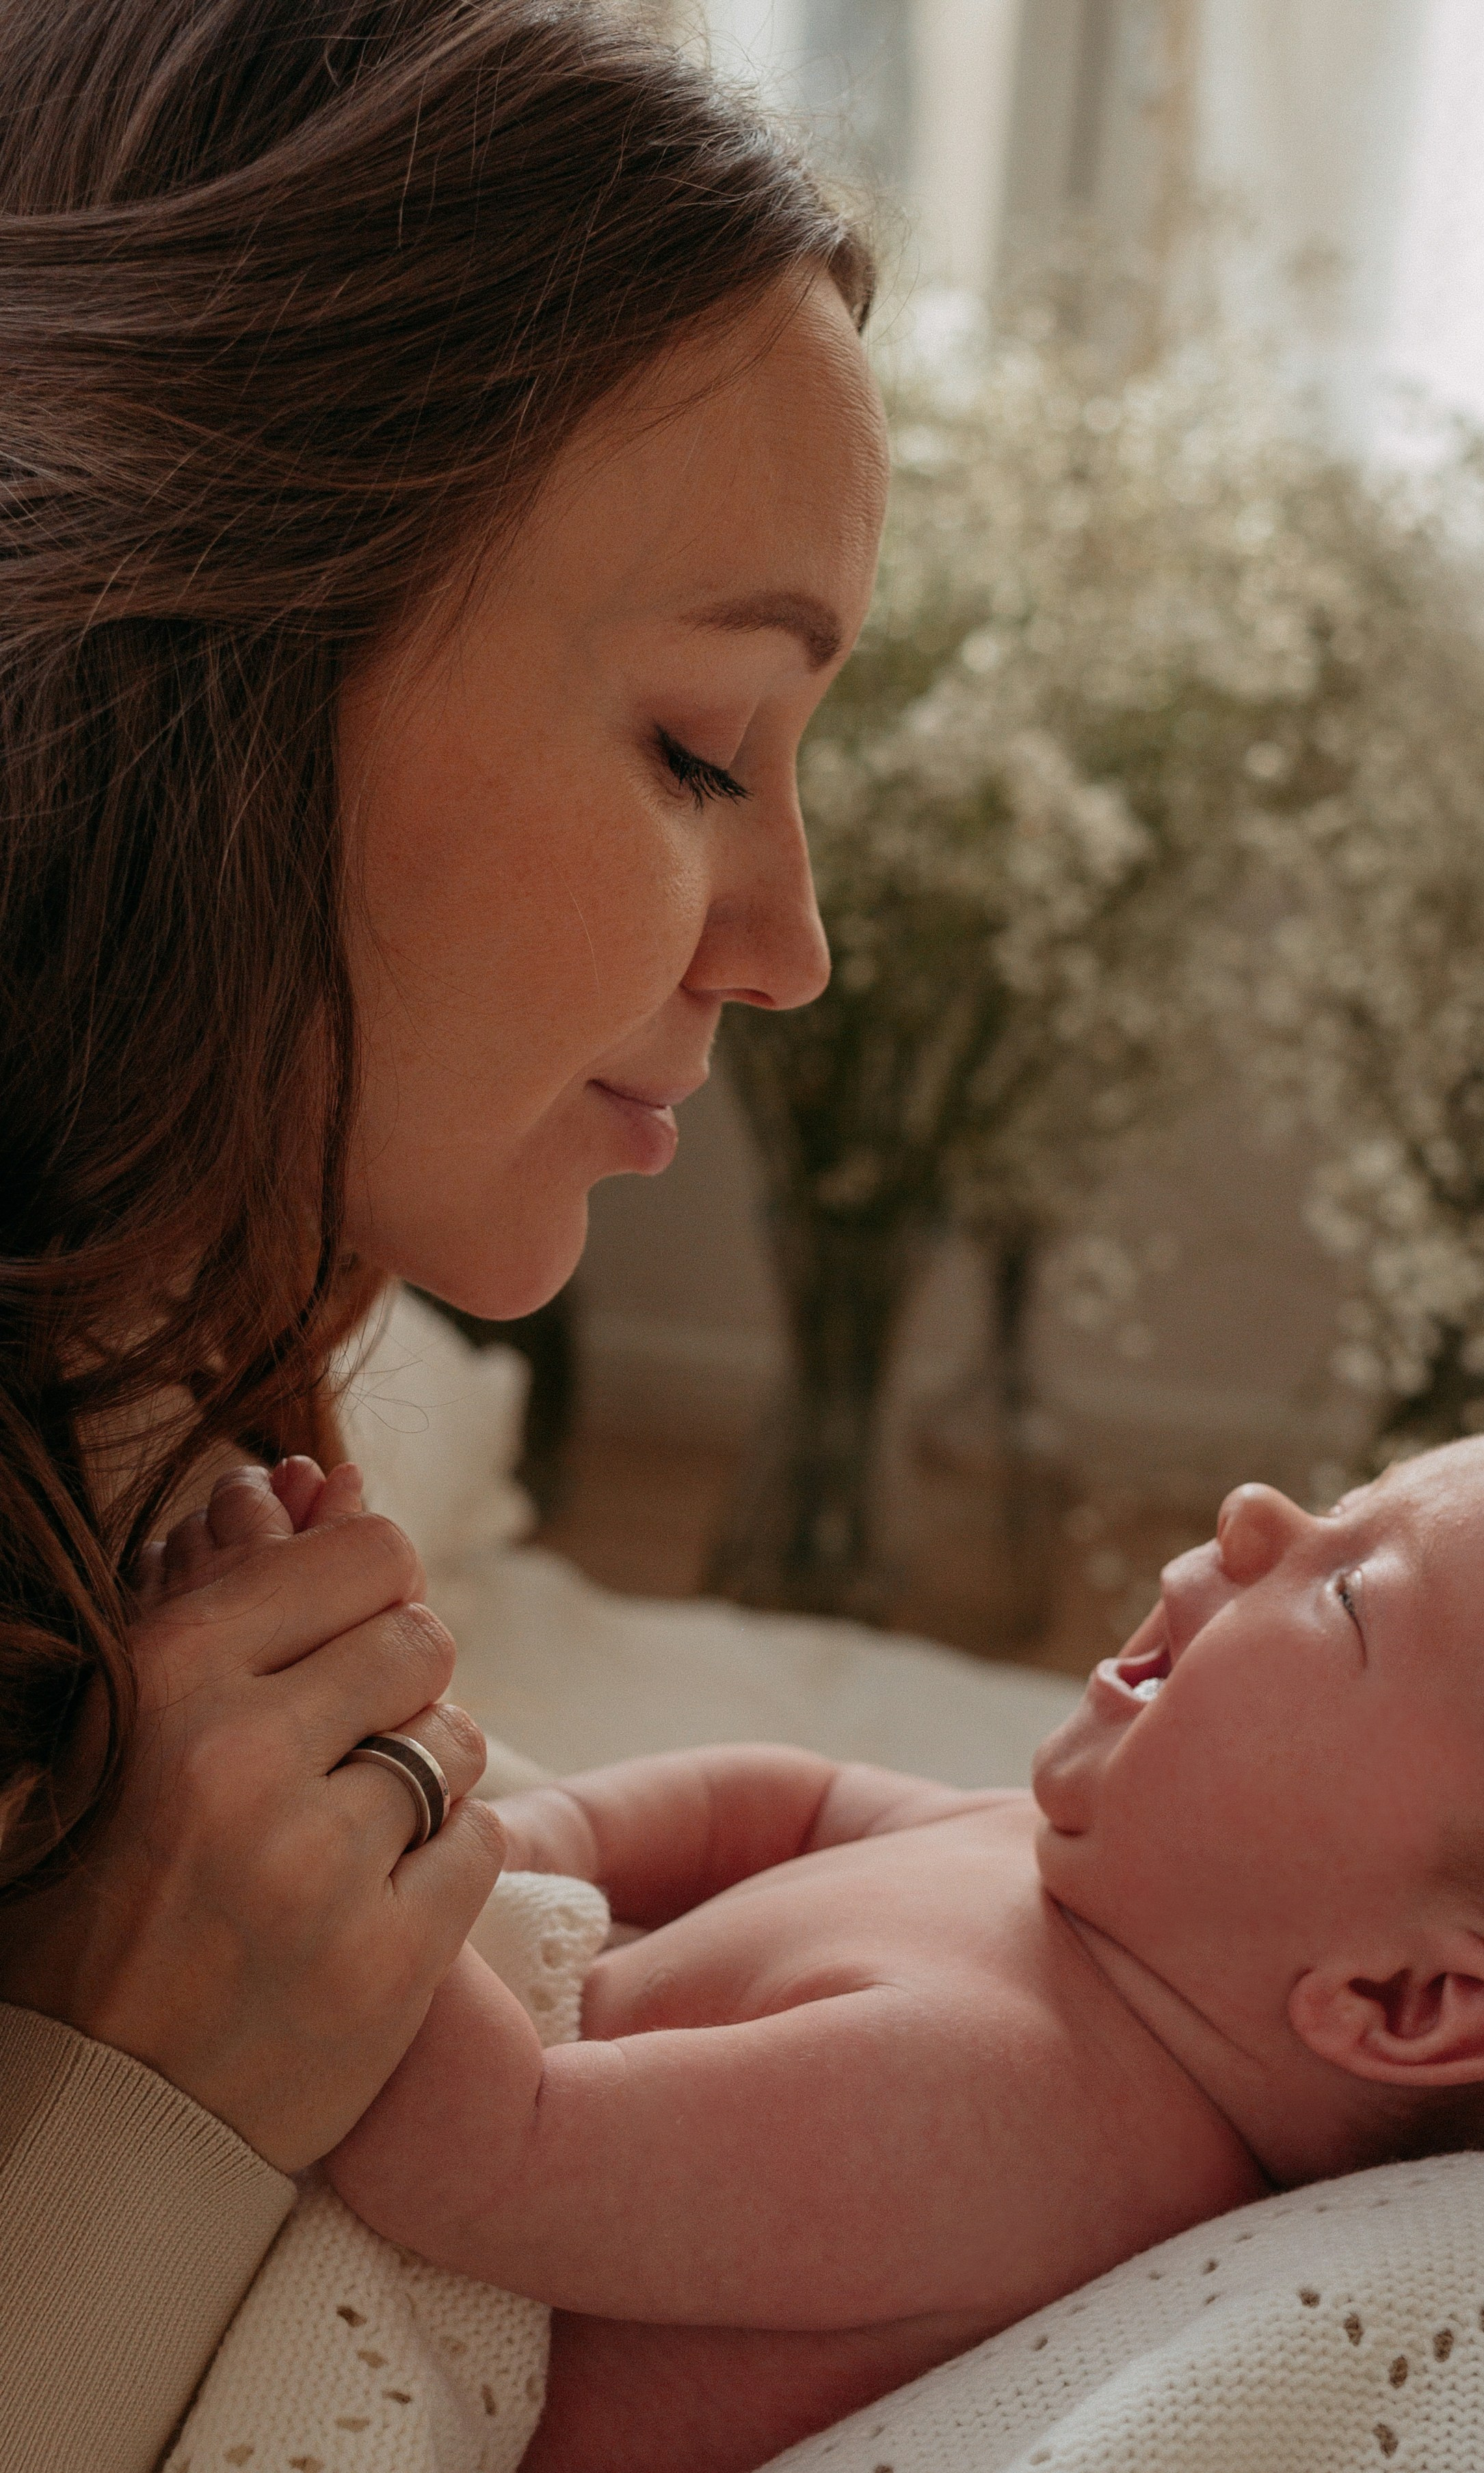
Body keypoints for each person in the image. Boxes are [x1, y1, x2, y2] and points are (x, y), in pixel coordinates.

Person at [0, 4, 884, 2465]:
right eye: (705, 745)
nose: (794, 938)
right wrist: (137, 2084)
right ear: (220, 643)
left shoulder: (173, 1426)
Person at [323, 1426, 1484, 2473]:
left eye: (1352, 1590)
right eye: (1343, 1496)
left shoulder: (1006, 2102)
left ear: (1400, 1995)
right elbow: (779, 1801)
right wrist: (543, 1835)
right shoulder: (1078, 1870)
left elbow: (474, 2154)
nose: (1256, 1511)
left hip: (363, 2279)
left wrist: (351, 1802)